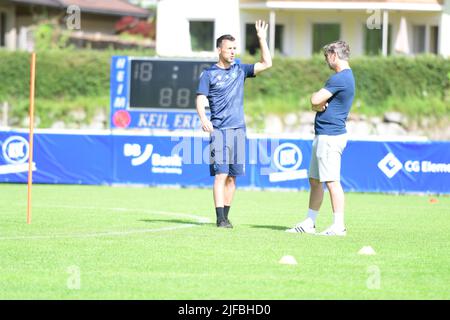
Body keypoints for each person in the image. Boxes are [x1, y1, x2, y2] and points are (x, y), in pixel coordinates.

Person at [196, 20, 272, 228]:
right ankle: (220, 218)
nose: (232, 52)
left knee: (232, 177)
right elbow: (200, 99)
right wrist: (204, 118)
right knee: (221, 174)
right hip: (219, 131)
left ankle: (226, 216)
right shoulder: (209, 74)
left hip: (239, 131)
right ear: (219, 49)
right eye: (229, 48)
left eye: (234, 49)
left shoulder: (240, 70)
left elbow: (267, 63)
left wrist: (262, 39)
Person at [287, 40, 355, 236]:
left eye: (327, 56)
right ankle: (310, 222)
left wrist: (315, 101)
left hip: (330, 136)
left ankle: (339, 226)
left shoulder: (340, 78)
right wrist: (317, 103)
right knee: (315, 180)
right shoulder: (343, 77)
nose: (326, 60)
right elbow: (318, 103)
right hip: (324, 135)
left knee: (332, 181)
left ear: (334, 55)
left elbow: (315, 100)